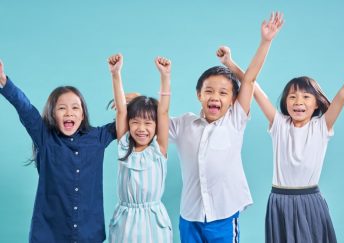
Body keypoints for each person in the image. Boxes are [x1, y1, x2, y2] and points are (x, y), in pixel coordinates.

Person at [224, 39, 344, 241]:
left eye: (306, 97)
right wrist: (230, 63)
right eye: (292, 97)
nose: (298, 101)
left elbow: (343, 94)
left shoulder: (321, 126)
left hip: (310, 201)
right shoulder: (279, 124)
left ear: (317, 103)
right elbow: (254, 88)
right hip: (280, 200)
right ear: (285, 102)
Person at [169, 12, 284, 243]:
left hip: (223, 215)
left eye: (223, 93)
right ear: (199, 95)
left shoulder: (235, 120)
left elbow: (249, 80)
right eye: (209, 91)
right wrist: (130, 101)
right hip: (189, 216)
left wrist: (266, 41)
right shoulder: (183, 123)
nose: (215, 97)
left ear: (233, 99)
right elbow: (155, 117)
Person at [0, 60, 116, 242]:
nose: (69, 113)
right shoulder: (45, 138)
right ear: (53, 114)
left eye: (75, 107)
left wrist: (130, 102)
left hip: (89, 233)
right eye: (62, 108)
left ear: (83, 114)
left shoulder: (97, 137)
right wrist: (5, 82)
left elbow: (125, 125)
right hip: (50, 234)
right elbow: (26, 109)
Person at [107, 53, 172, 243]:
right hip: (126, 220)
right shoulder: (124, 144)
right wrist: (116, 74)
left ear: (156, 126)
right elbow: (121, 110)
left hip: (153, 222)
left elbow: (163, 111)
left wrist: (165, 77)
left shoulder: (159, 148)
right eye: (135, 122)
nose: (141, 129)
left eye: (148, 123)